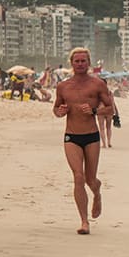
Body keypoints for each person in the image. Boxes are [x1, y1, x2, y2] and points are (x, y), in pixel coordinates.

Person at [53, 47, 114, 235]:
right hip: (71, 136)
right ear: (71, 63)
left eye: (83, 61)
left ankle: (97, 192)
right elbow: (56, 109)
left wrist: (95, 111)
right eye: (77, 61)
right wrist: (60, 112)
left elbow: (110, 109)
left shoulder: (97, 84)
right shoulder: (63, 86)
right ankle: (84, 221)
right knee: (78, 177)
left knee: (90, 179)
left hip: (91, 136)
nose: (80, 64)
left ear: (89, 63)